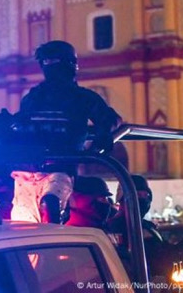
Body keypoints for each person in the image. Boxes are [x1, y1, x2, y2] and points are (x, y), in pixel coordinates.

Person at [10, 41, 122, 224]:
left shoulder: (82, 98)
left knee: (51, 206)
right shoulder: (33, 98)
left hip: (60, 169)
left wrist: (102, 137)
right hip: (27, 172)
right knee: (22, 224)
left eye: (53, 62)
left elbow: (111, 120)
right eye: (47, 63)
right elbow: (20, 127)